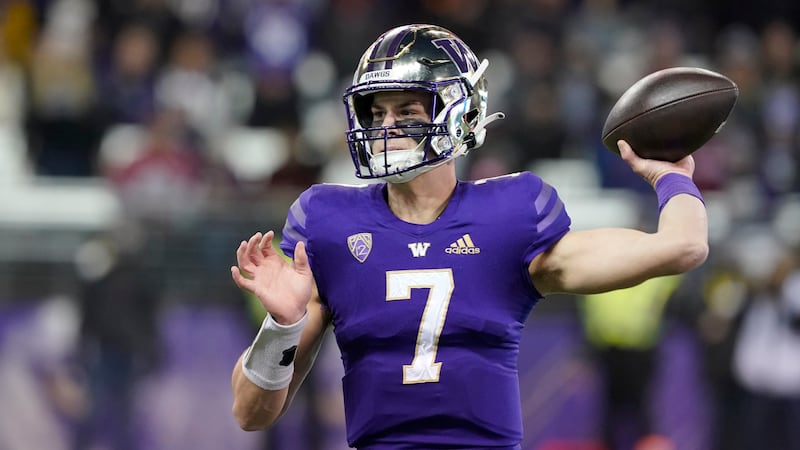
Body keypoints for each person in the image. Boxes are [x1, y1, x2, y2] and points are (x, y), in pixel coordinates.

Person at [229, 24, 708, 450]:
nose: (386, 127)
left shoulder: (511, 215)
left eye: (407, 111)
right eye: (376, 113)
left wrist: (671, 178)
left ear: (459, 115)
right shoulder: (330, 223)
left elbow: (683, 246)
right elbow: (251, 414)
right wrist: (282, 327)